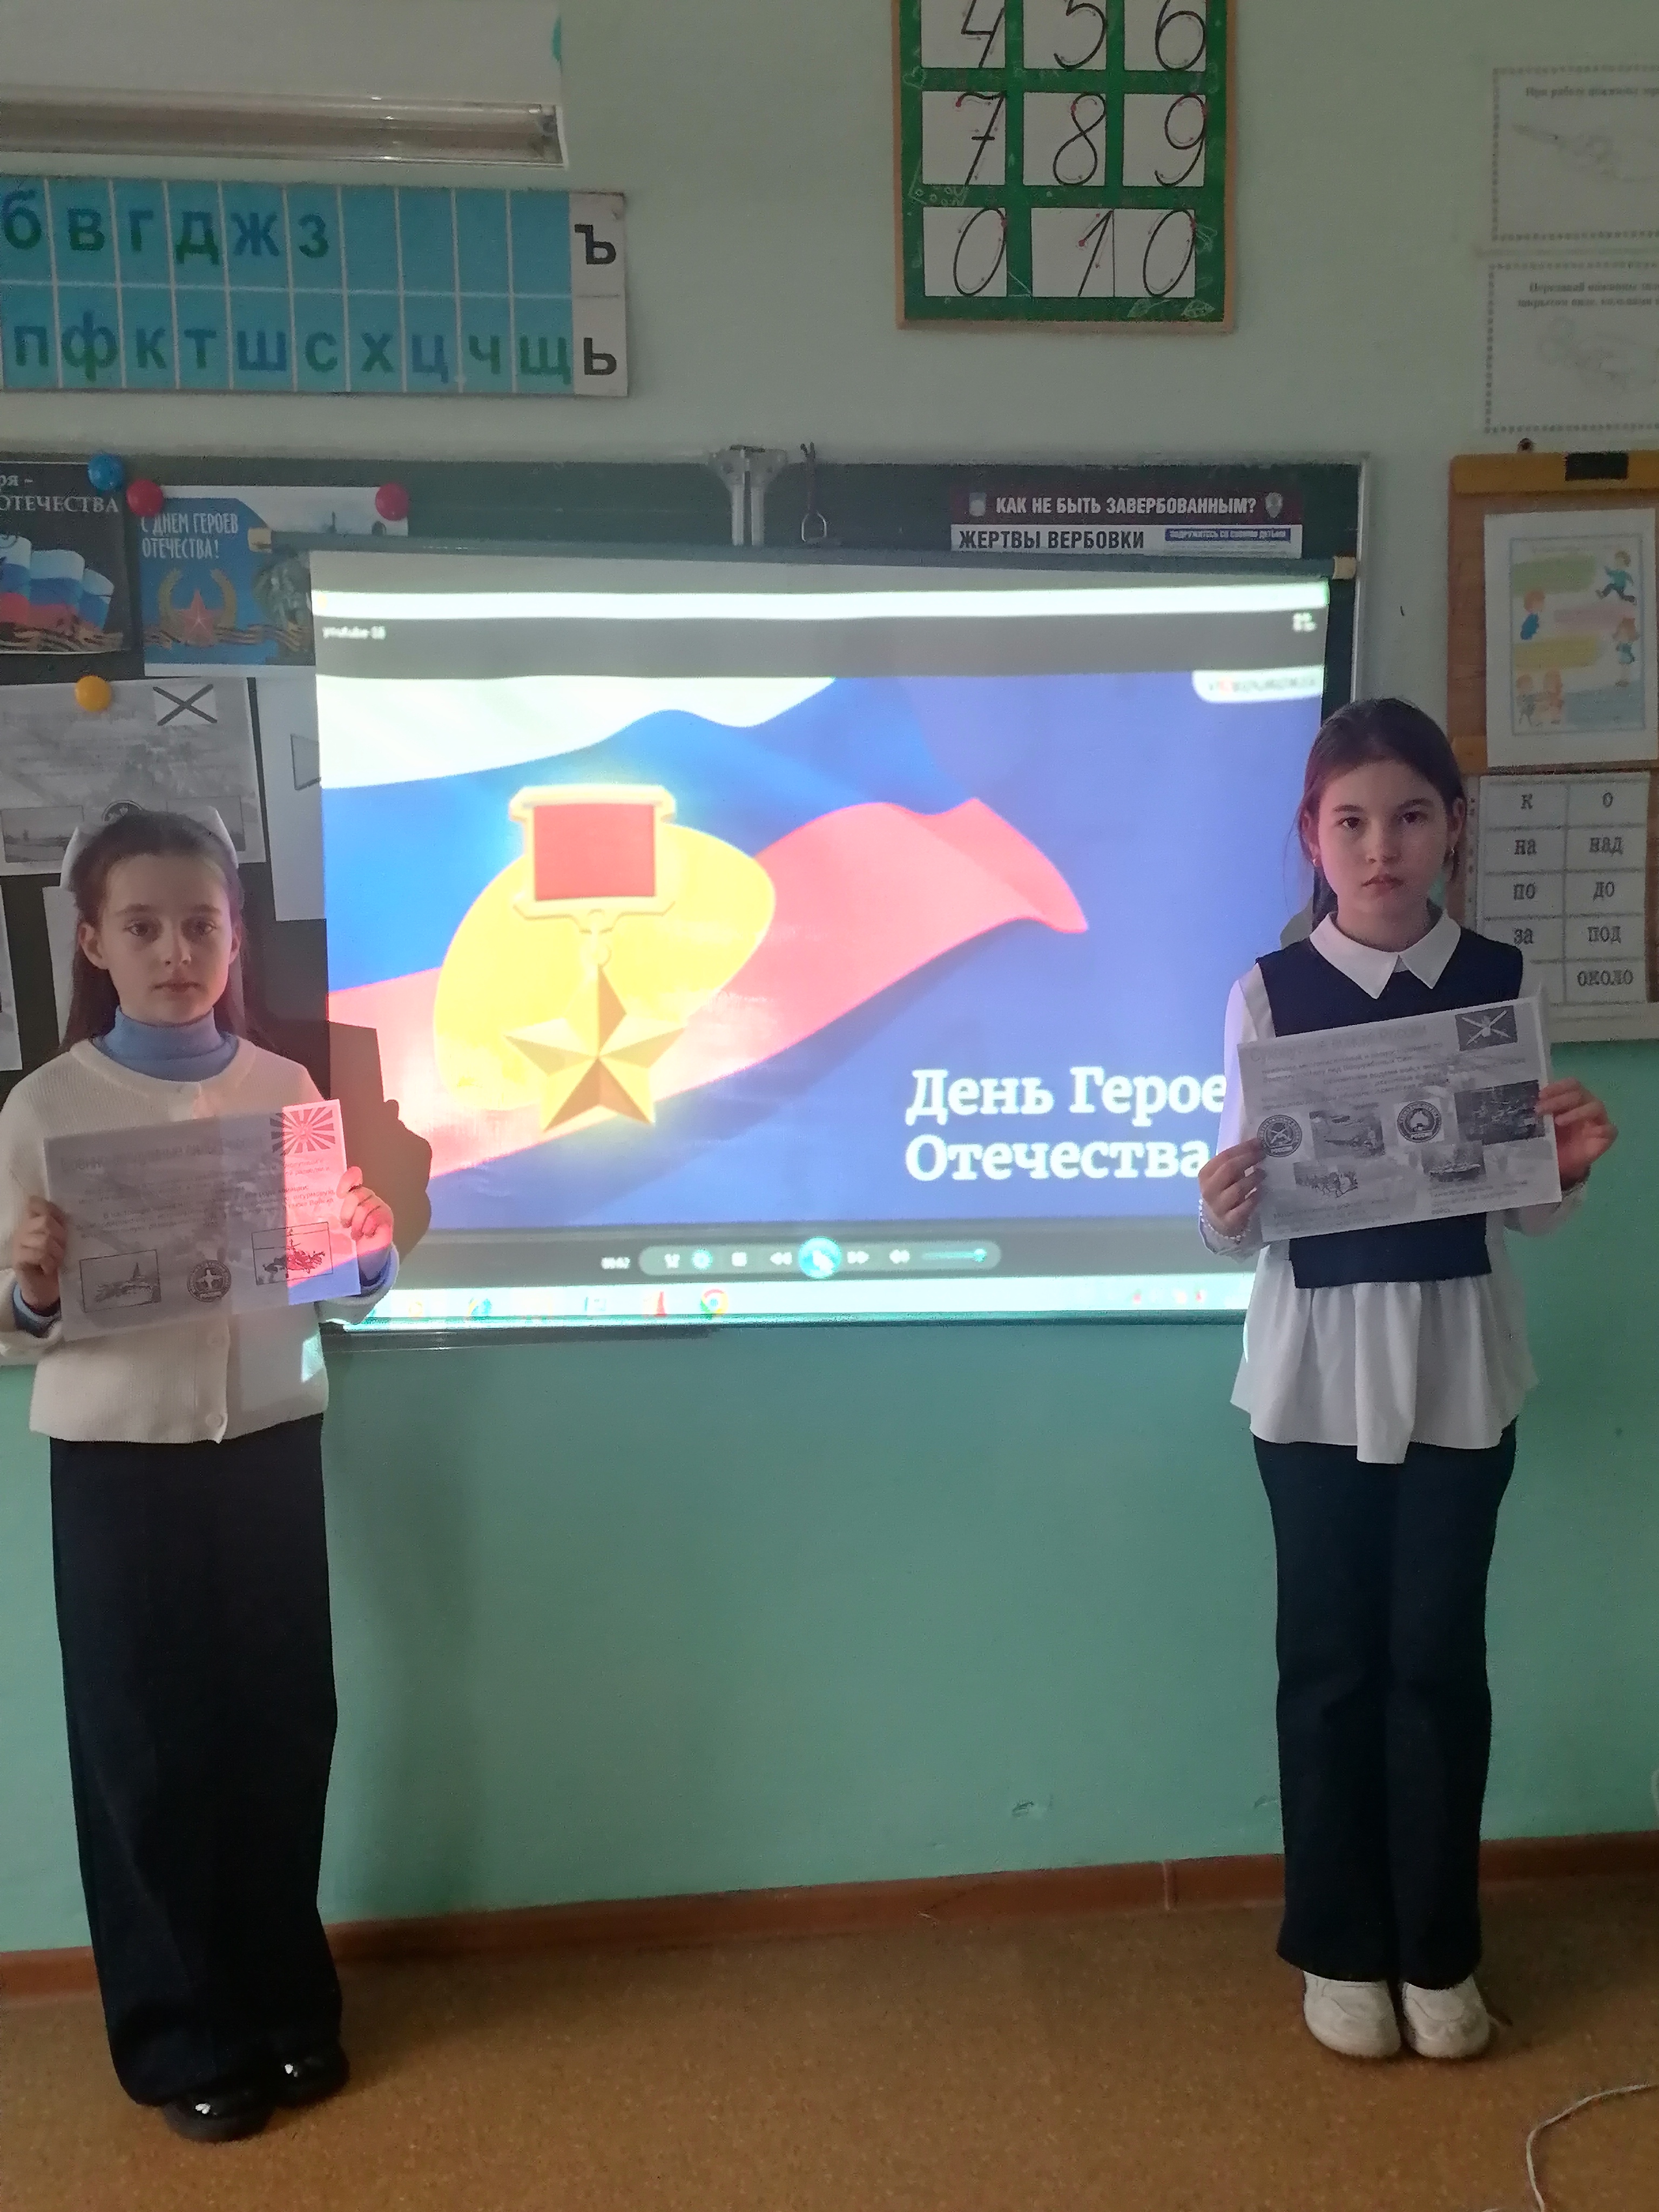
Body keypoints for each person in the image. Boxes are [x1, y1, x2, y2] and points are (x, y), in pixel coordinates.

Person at [1196, 699, 1617, 2064]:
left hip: (1456, 1369)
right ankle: (1340, 1945)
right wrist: (1218, 1204)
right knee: (1327, 1667)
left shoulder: (1498, 978)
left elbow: (1523, 1206)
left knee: (1437, 1663)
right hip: (1314, 1377)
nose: (1382, 846)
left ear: (1452, 829)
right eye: (1353, 820)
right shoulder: (1268, 991)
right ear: (1313, 837)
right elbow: (1245, 1215)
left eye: (1412, 816)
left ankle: (1439, 1948)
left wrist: (1566, 1168)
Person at [0, 805, 398, 2143]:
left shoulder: (284, 1088)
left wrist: (368, 1246)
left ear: (234, 939)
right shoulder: (46, 1105)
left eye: (201, 924)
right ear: (93, 941)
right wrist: (34, 1284)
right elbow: (11, 1315)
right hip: (119, 1465)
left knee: (282, 1730)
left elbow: (329, 1285)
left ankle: (288, 2005)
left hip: (269, 1443)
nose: (176, 950)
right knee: (146, 1751)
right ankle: (183, 2036)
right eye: (144, 925)